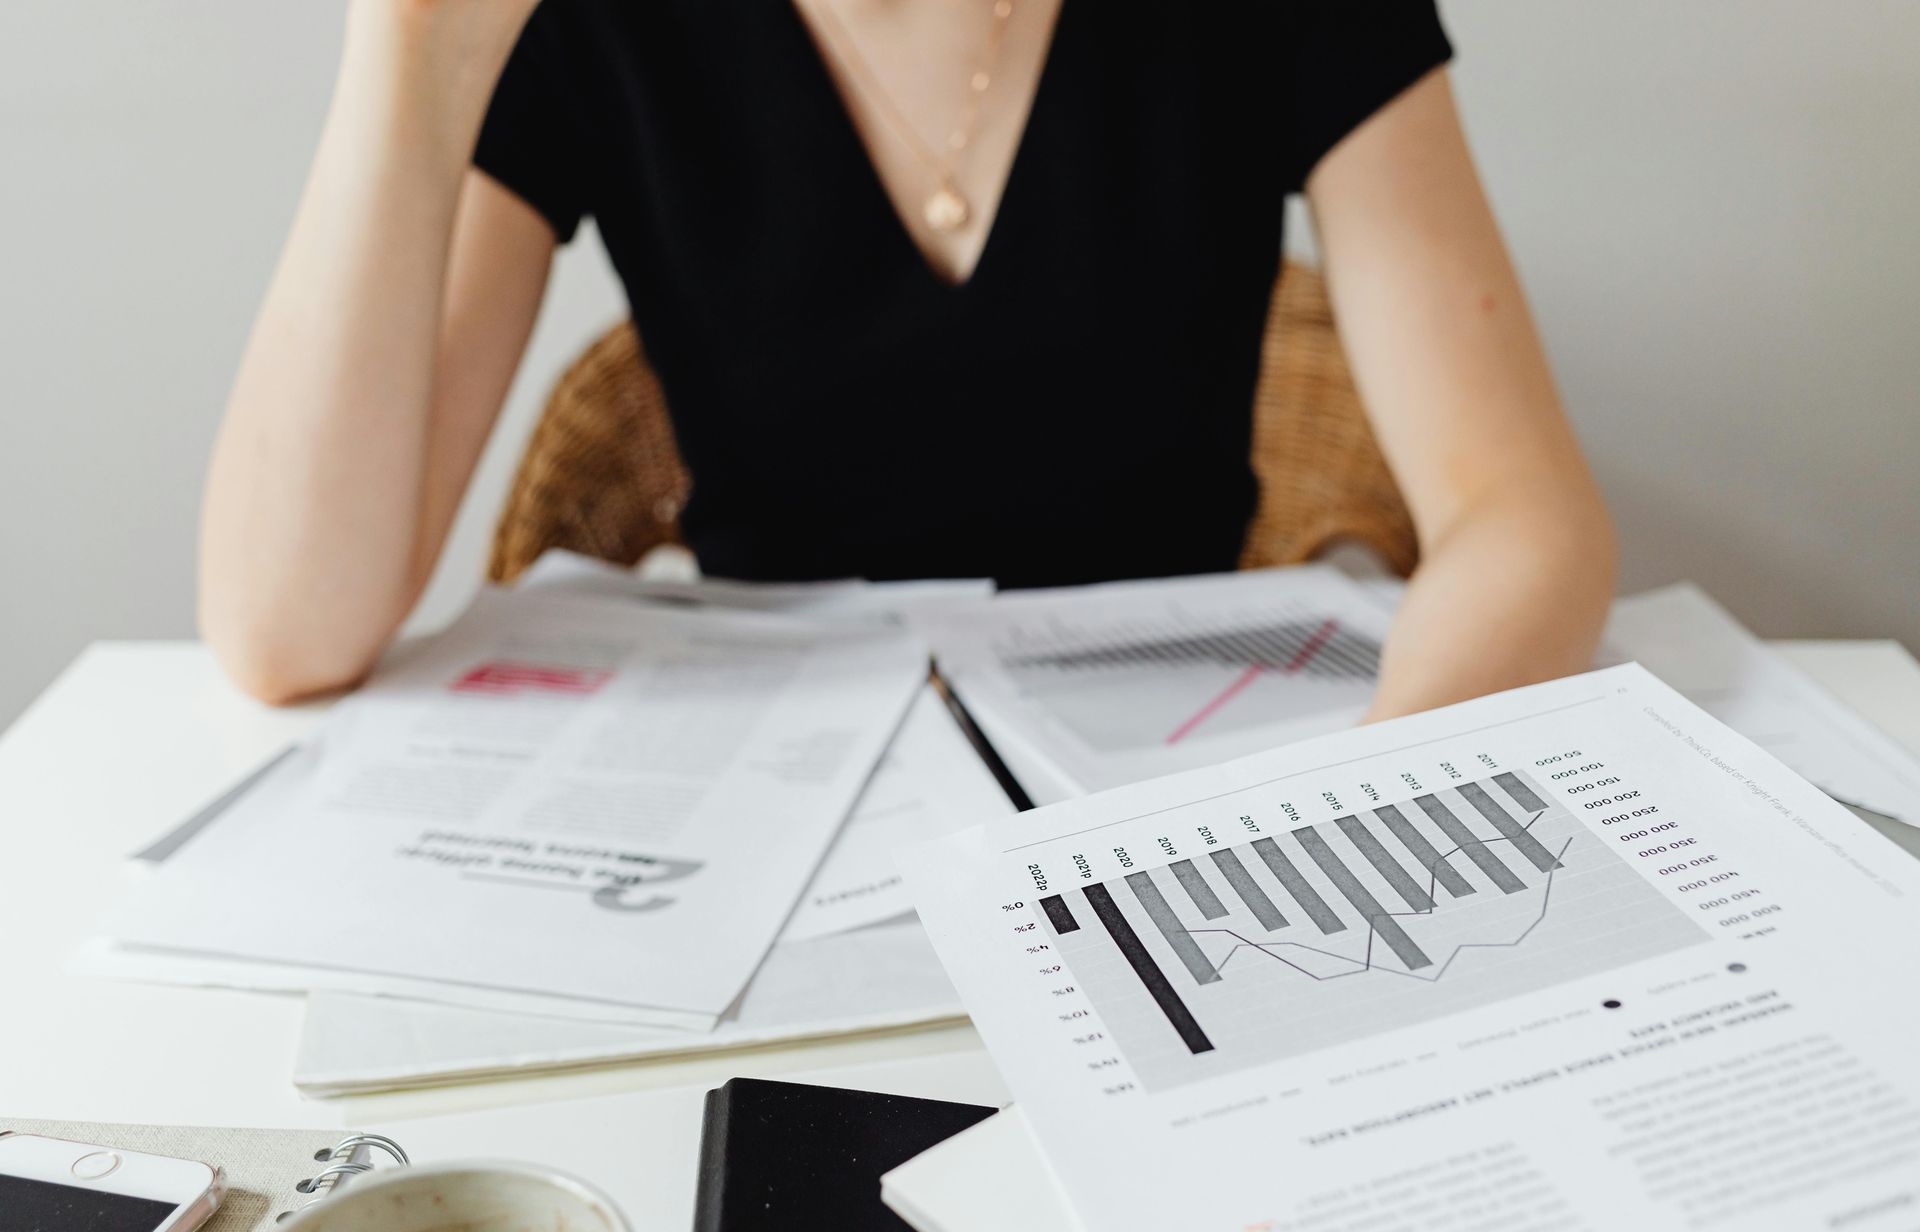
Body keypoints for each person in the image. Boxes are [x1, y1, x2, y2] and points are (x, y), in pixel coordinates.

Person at [199, 0, 1616, 721]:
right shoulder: (597, 22)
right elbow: (283, 633)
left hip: (1170, 771)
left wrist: (1380, 792)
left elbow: (1521, 516)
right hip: (770, 807)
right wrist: (405, 53)